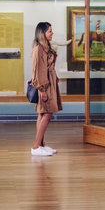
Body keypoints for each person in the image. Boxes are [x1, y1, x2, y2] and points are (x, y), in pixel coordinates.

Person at [30, 22, 63, 156]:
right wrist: (42, 89)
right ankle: (36, 146)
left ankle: (41, 145)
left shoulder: (45, 47)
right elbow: (39, 71)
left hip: (50, 83)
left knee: (42, 114)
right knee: (47, 113)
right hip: (45, 85)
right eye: (50, 31)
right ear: (42, 33)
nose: (52, 33)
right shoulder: (39, 49)